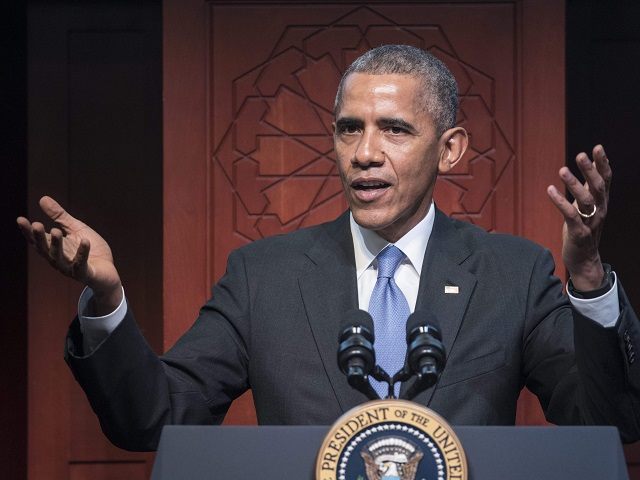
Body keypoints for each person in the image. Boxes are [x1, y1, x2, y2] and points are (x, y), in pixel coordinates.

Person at [17, 45, 640, 451]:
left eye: (394, 129)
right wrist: (107, 302)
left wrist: (585, 274)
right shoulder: (264, 276)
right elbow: (151, 418)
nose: (365, 152)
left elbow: (606, 421)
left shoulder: (512, 273)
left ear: (450, 149)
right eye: (350, 129)